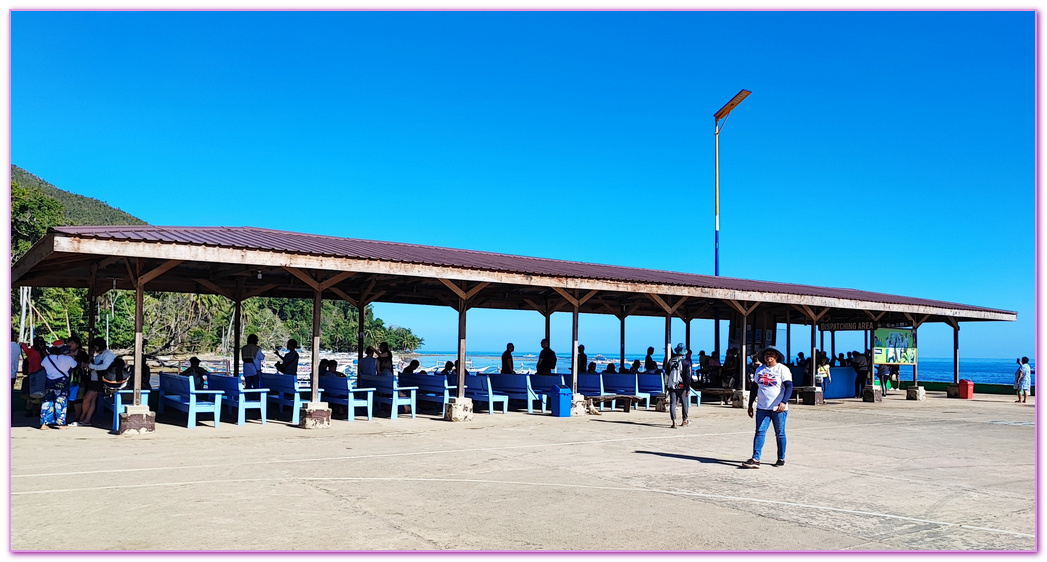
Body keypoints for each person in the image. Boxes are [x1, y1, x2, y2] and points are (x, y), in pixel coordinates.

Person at [742, 346, 793, 468]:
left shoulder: (782, 369)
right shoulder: (760, 370)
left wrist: (784, 402)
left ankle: (781, 458)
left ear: (776, 356)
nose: (768, 356)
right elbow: (755, 388)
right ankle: (755, 459)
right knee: (760, 432)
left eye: (771, 354)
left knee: (780, 433)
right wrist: (750, 405)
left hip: (778, 409)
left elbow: (789, 387)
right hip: (762, 408)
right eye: (766, 354)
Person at [39, 343, 77, 430]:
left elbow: (42, 365)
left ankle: (44, 424)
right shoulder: (67, 359)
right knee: (61, 402)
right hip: (62, 382)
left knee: (47, 402)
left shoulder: (47, 358)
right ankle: (61, 424)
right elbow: (75, 365)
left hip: (49, 382)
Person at [80, 336, 113, 427]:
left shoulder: (108, 355)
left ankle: (83, 417)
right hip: (94, 378)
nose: (95, 349)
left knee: (87, 399)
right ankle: (87, 419)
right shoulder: (99, 355)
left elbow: (105, 367)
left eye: (95, 347)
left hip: (99, 380)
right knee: (92, 400)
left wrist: (91, 366)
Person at [663, 343, 690, 429]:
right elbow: (688, 376)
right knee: (684, 403)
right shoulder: (686, 362)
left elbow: (667, 373)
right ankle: (685, 420)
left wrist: (666, 384)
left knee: (673, 403)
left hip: (672, 385)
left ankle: (674, 421)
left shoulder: (671, 361)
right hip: (681, 385)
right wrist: (688, 387)